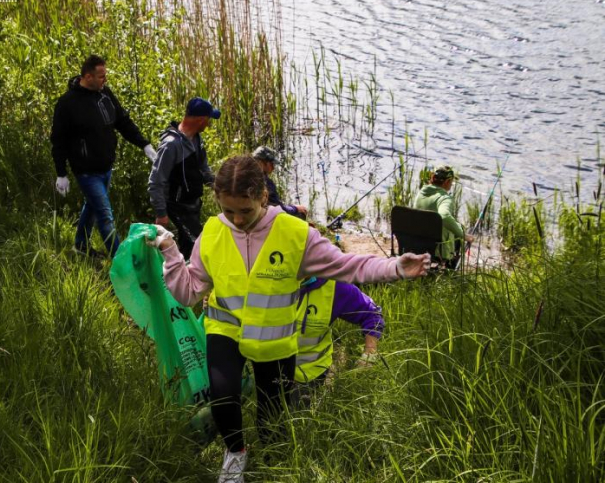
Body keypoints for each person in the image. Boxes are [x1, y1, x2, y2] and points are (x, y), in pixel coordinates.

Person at [146, 155, 430, 483]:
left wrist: (395, 267)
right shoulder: (212, 232)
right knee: (224, 396)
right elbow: (189, 292)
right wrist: (169, 250)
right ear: (218, 202)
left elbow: (348, 266)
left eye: (245, 211)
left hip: (274, 338)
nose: (237, 220)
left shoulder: (296, 234)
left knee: (272, 413)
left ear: (263, 197)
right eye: (228, 211)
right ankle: (235, 454)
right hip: (225, 329)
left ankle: (271, 462)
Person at [50, 54, 156, 258]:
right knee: (105, 217)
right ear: (88, 77)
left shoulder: (104, 94)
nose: (105, 80)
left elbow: (122, 121)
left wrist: (144, 144)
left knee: (91, 206)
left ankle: (80, 246)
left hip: (106, 167)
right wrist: (61, 173)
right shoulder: (67, 103)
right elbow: (58, 140)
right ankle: (121, 262)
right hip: (86, 171)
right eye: (101, 76)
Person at [148, 97, 219, 259]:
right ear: (200, 120)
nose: (209, 124)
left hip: (192, 202)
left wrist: (216, 184)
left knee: (188, 245)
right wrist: (161, 213)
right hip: (177, 205)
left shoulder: (196, 138)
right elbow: (156, 181)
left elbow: (202, 167)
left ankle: (185, 278)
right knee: (197, 244)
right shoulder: (171, 145)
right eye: (208, 120)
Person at [295, 278, 384, 389]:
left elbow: (371, 314)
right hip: (270, 368)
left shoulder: (334, 286)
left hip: (309, 374)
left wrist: (369, 354)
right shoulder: (271, 280)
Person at [413, 165, 473, 268]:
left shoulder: (421, 194)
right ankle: (450, 269)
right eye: (452, 182)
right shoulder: (444, 198)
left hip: (415, 244)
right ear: (447, 182)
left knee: (456, 227)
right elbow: (444, 216)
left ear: (432, 178)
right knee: (458, 234)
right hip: (436, 250)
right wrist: (464, 235)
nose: (451, 185)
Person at [251, 146, 307, 218]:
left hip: (253, 216)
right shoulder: (266, 183)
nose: (273, 167)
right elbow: (279, 209)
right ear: (262, 163)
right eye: (271, 164)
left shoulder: (246, 175)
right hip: (264, 218)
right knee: (301, 213)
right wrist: (295, 208)